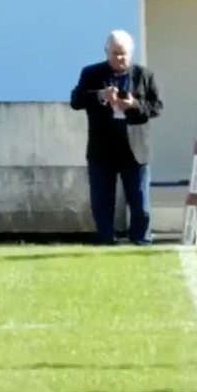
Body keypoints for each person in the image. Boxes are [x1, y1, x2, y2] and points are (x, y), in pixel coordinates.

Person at [69, 31, 163, 246]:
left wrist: (133, 105)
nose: (119, 59)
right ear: (106, 52)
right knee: (102, 198)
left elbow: (157, 107)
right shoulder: (91, 73)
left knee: (139, 200)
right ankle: (105, 238)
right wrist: (100, 96)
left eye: (123, 54)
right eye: (114, 54)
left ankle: (141, 239)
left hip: (135, 146)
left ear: (131, 53)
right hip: (102, 146)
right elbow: (76, 101)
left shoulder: (144, 75)